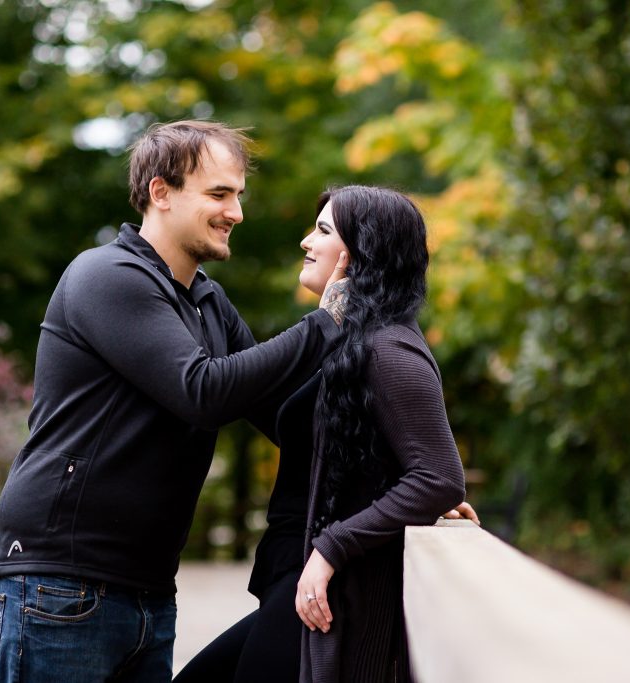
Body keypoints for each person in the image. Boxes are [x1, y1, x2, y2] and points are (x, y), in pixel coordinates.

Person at [0, 120, 350, 683]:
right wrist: (327, 320)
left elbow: (281, 412)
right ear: (161, 192)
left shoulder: (206, 298)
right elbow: (202, 391)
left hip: (149, 590)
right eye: (219, 194)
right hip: (58, 584)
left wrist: (410, 479)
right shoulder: (106, 275)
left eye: (238, 196)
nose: (237, 213)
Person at [174, 185, 476, 683]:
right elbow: (376, 456)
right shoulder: (353, 344)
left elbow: (440, 477)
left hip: (326, 587)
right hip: (296, 577)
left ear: (358, 256)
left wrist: (333, 547)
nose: (304, 242)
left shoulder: (391, 349)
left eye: (322, 230)